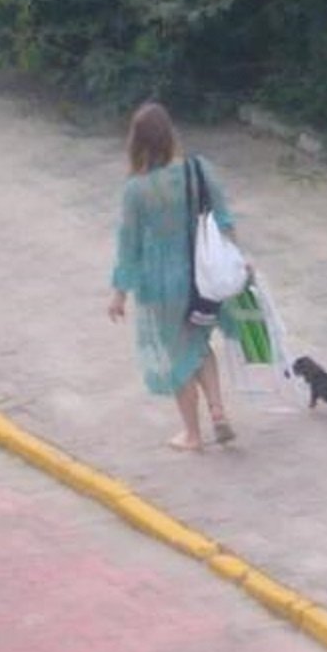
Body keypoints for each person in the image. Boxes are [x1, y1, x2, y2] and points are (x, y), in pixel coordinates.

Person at [108, 102, 238, 452]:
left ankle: (192, 434)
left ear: (137, 142)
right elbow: (224, 219)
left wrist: (120, 293)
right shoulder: (198, 169)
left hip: (160, 284)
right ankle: (218, 410)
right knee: (199, 343)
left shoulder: (136, 190)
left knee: (178, 356)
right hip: (202, 276)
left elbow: (129, 244)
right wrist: (237, 262)